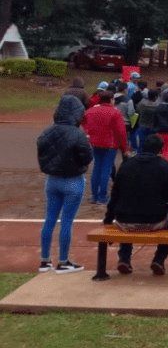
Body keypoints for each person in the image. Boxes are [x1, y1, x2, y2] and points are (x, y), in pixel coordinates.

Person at [104, 135, 168, 276]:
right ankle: (159, 258)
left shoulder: (126, 165)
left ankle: (124, 258)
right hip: (156, 220)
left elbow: (115, 195)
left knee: (127, 217)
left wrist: (108, 219)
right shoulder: (167, 167)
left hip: (125, 221)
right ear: (161, 150)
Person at [36, 96, 94, 274]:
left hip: (52, 179)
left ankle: (45, 260)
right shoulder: (78, 134)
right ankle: (63, 261)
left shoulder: (47, 131)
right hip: (73, 180)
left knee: (50, 219)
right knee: (66, 221)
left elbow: (42, 150)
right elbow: (87, 156)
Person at [81, 90, 129, 205]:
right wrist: (125, 148)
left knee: (97, 168)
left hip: (94, 143)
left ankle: (94, 195)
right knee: (105, 170)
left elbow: (83, 121)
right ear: (111, 99)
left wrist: (89, 132)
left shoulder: (90, 111)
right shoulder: (115, 112)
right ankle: (102, 196)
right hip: (110, 145)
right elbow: (121, 132)